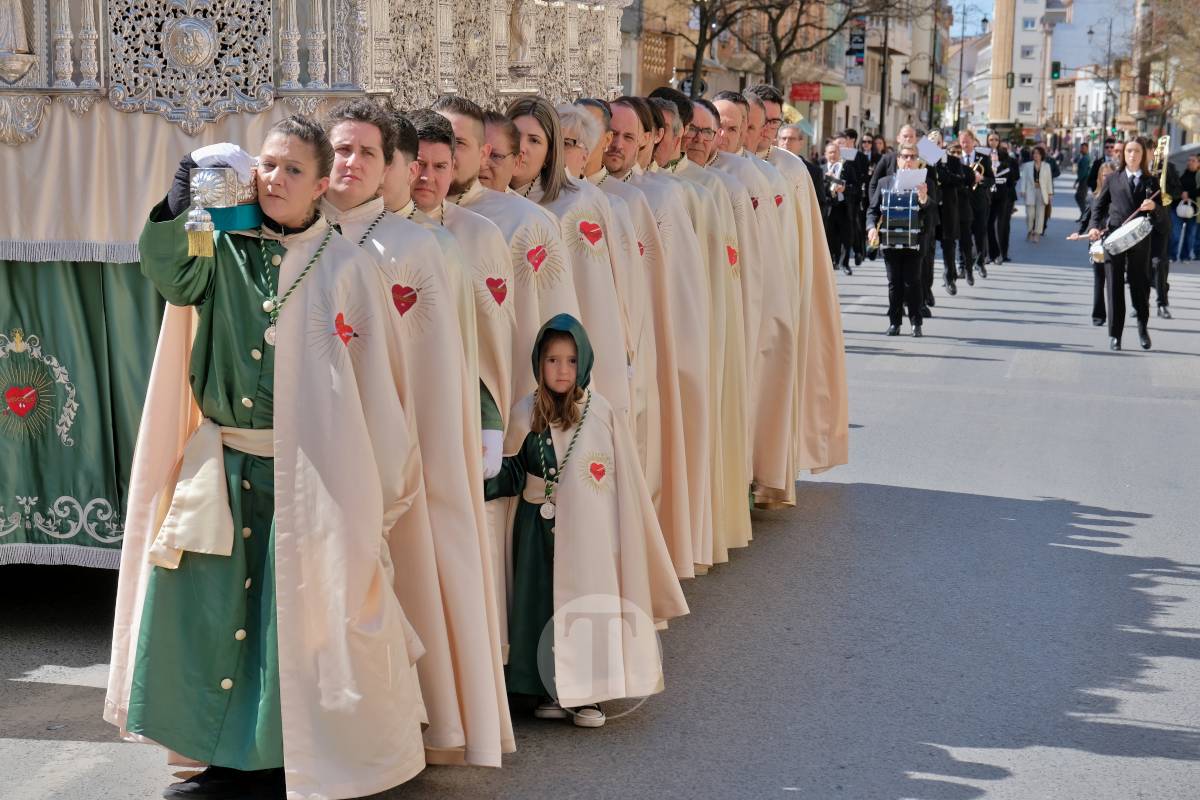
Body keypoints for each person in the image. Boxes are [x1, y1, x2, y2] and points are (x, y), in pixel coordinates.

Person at [104, 116, 428, 800]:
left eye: (291, 170)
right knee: (214, 616)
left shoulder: (346, 264)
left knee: (294, 624)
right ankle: (219, 758)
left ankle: (287, 760)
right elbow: (174, 276)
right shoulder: (218, 241)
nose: (274, 179)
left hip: (309, 475)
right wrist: (176, 206)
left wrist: (379, 482)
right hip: (221, 470)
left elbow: (376, 383)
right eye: (268, 165)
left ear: (319, 185)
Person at [322, 101, 515, 769]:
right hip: (325, 445)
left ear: (392, 167)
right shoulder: (304, 239)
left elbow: (444, 373)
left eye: (367, 153)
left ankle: (431, 719)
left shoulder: (422, 251)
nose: (348, 164)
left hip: (407, 452)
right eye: (337, 150)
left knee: (417, 570)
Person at [484, 314, 689, 727]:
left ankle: (589, 694)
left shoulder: (601, 415)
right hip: (534, 531)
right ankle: (547, 686)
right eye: (552, 360)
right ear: (538, 363)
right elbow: (512, 472)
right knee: (539, 607)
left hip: (589, 537)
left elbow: (624, 486)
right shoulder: (525, 412)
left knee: (585, 608)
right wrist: (481, 474)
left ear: (585, 363)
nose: (562, 370)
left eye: (571, 361)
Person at [506, 95, 633, 423]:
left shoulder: (576, 204)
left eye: (534, 139)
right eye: (515, 137)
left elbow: (595, 299)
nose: (522, 148)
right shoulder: (493, 201)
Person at [1089, 136, 1159, 351]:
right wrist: (1093, 227)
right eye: (1129, 151)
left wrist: (1153, 208)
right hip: (1114, 238)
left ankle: (1142, 328)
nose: (1132, 155)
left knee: (1140, 286)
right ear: (1123, 154)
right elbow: (1098, 207)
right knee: (1114, 287)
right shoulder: (1113, 178)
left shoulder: (1151, 181)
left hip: (1139, 240)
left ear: (1143, 155)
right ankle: (1115, 335)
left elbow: (1161, 215)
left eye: (1137, 151)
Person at [867, 142, 932, 337]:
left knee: (913, 282)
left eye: (913, 157)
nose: (908, 161)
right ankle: (894, 323)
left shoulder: (924, 182)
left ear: (917, 161)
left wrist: (924, 198)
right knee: (894, 283)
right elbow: (873, 210)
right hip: (890, 239)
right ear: (898, 159)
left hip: (914, 241)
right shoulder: (885, 182)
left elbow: (932, 210)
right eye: (905, 156)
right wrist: (871, 229)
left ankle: (916, 322)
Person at [1071, 160, 1116, 327]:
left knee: (1113, 280)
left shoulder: (1120, 197)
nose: (1107, 178)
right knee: (1099, 278)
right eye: (1104, 175)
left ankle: (1115, 315)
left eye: (1110, 175)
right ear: (1099, 177)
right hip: (1096, 243)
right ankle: (1098, 315)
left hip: (1116, 242)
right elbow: (1086, 218)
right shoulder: (1094, 197)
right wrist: (1080, 232)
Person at [959, 129, 994, 277]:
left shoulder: (983, 158)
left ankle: (980, 263)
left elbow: (991, 179)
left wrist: (982, 179)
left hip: (979, 202)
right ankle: (962, 265)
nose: (965, 144)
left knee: (980, 233)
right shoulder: (955, 158)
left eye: (967, 141)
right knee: (962, 235)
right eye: (962, 142)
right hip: (961, 202)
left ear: (974, 141)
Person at [822, 140, 856, 272]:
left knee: (846, 237)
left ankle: (845, 264)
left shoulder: (847, 168)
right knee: (829, 235)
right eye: (830, 152)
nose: (833, 155)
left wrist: (845, 188)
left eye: (835, 152)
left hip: (843, 206)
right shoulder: (821, 169)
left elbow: (855, 187)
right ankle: (831, 261)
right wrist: (827, 180)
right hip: (829, 207)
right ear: (825, 154)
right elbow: (818, 189)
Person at [988, 142, 1018, 264]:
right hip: (988, 197)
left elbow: (1013, 179)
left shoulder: (1008, 164)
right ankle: (989, 253)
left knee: (1002, 225)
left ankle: (1001, 253)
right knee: (988, 225)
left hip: (1003, 198)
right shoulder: (986, 163)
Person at [1019, 145, 1053, 243]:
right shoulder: (1027, 165)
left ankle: (1037, 233)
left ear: (1042, 155)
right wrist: (1022, 190)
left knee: (1040, 214)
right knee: (1030, 214)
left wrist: (1050, 193)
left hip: (1042, 192)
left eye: (1038, 153)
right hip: (1030, 191)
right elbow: (1024, 178)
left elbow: (1048, 181)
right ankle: (1030, 230)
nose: (1036, 155)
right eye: (1034, 153)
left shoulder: (1047, 166)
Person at [1170, 153, 1200, 262]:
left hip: (1192, 210)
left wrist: (1189, 194)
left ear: (1198, 164)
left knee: (1190, 236)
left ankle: (1185, 256)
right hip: (1176, 208)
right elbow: (1174, 187)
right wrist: (1181, 193)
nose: (1190, 162)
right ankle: (1172, 256)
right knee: (1175, 234)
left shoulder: (1198, 176)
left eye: (1193, 161)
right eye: (1189, 160)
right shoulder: (1181, 174)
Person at [1074, 142, 1092, 220]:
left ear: (1087, 149)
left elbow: (1083, 172)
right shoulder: (1084, 157)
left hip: (1084, 180)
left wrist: (1077, 181)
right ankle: (1084, 214)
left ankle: (1085, 214)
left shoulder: (1085, 158)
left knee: (1079, 197)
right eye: (1081, 148)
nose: (1081, 149)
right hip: (1084, 180)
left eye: (1083, 148)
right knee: (1081, 197)